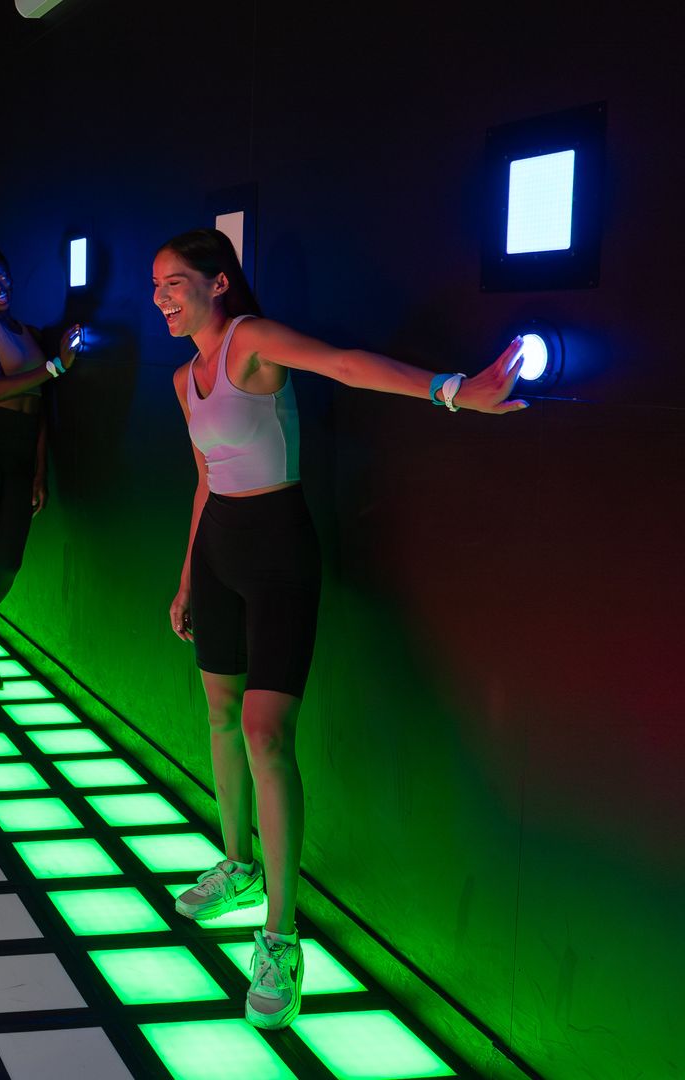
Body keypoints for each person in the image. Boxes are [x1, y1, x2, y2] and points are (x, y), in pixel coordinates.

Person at [156, 227, 526, 1029]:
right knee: (219, 715)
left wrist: (453, 390)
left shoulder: (252, 340)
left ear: (218, 283)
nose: (162, 299)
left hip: (279, 550)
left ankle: (282, 938)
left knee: (266, 736)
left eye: (175, 283)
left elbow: (347, 365)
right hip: (219, 550)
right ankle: (238, 865)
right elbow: (204, 480)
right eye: (156, 287)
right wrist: (189, 574)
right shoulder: (184, 377)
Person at [0, 241, 82, 689]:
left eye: (2, 277)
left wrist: (40, 471)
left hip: (22, 450)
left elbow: (40, 409)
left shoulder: (29, 332)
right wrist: (57, 366)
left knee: (10, 561)